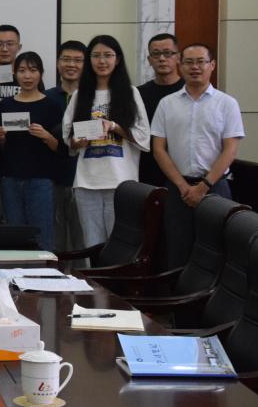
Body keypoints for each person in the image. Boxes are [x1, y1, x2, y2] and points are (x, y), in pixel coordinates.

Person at [152, 43, 244, 269]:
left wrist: (203, 186)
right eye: (189, 62)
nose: (195, 67)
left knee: (216, 250)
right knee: (178, 251)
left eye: (201, 62)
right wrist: (183, 186)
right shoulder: (167, 104)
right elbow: (159, 149)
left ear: (212, 65)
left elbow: (230, 150)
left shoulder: (227, 103)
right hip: (178, 189)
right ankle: (178, 292)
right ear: (180, 65)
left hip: (215, 187)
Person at [63, 35, 151, 250]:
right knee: (91, 245)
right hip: (87, 183)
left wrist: (113, 127)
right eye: (96, 56)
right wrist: (78, 142)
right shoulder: (79, 95)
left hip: (121, 182)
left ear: (117, 59)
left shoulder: (131, 93)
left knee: (119, 246)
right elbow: (68, 139)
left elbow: (143, 137)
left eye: (108, 55)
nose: (102, 61)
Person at [0, 52, 63, 250]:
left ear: (41, 73)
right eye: (22, 71)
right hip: (10, 179)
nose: (27, 76)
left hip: (41, 180)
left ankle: (43, 270)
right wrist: (1, 137)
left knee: (42, 237)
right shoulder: (6, 105)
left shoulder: (52, 105)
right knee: (15, 238)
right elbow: (2, 149)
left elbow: (60, 148)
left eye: (33, 70)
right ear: (15, 74)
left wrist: (46, 135)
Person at [45, 40, 87, 254]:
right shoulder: (45, 97)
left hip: (85, 179)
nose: (71, 64)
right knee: (55, 241)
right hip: (52, 179)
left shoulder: (92, 98)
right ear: (57, 63)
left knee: (83, 242)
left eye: (78, 60)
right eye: (66, 59)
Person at [137, 33, 185, 186]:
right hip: (147, 171)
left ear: (178, 57)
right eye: (156, 54)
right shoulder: (138, 94)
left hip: (184, 172)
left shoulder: (189, 92)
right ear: (149, 60)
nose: (162, 58)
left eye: (168, 53)